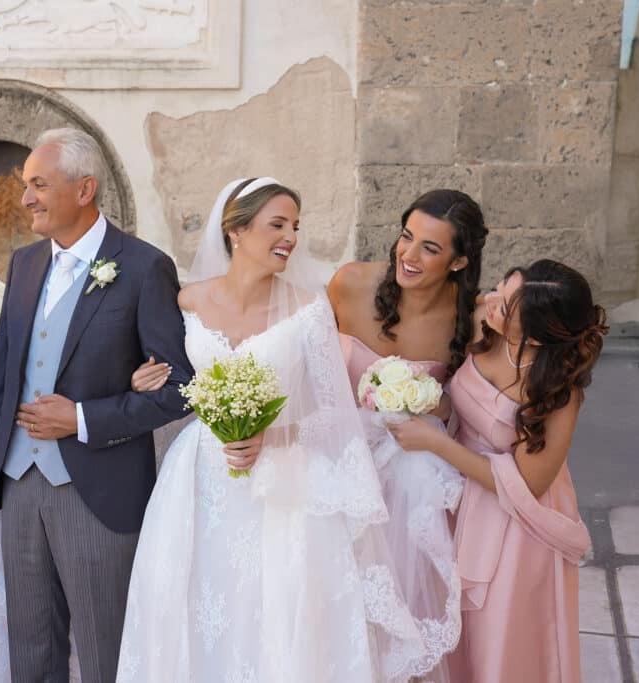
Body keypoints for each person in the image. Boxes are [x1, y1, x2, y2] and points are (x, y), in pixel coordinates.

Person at [117, 178, 436, 683]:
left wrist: (275, 436)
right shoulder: (186, 303)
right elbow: (173, 381)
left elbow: (336, 414)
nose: (290, 237)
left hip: (287, 487)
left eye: (295, 226)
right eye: (277, 225)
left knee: (278, 615)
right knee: (196, 603)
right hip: (199, 478)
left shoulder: (309, 311)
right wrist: (138, 380)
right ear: (236, 231)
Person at [0, 127, 193, 683]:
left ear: (84, 189)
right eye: (25, 185)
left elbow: (179, 384)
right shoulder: (24, 264)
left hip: (101, 489)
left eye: (39, 184)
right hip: (19, 485)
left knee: (105, 649)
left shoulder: (142, 268)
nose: (26, 198)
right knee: (30, 649)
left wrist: (84, 418)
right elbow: (1, 386)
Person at [388, 259, 604, 683]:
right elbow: (465, 404)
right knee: (458, 636)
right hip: (461, 497)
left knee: (501, 639)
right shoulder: (484, 329)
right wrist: (430, 399)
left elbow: (529, 485)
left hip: (518, 527)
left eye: (506, 308)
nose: (490, 302)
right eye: (500, 289)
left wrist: (436, 443)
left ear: (540, 336)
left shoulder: (559, 392)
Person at [326, 189, 489, 680]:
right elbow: (302, 361)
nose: (408, 255)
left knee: (398, 598)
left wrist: (428, 401)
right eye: (406, 237)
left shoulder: (472, 316)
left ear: (459, 261)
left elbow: (470, 402)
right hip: (339, 454)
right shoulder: (349, 282)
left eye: (430, 248)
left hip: (410, 471)